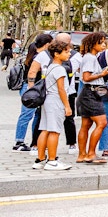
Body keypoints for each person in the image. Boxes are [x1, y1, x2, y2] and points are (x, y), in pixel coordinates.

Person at [33, 40, 73, 171]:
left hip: (47, 100)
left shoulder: (50, 67)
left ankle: (40, 159)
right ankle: (52, 160)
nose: (69, 54)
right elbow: (61, 89)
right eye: (66, 51)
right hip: (56, 101)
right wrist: (67, 106)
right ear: (56, 54)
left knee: (44, 129)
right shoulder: (60, 69)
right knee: (54, 131)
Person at [75, 32, 108, 164]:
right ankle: (91, 154)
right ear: (92, 44)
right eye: (100, 42)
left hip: (86, 93)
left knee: (86, 125)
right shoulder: (90, 58)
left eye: (104, 42)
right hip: (91, 93)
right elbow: (86, 77)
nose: (103, 45)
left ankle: (82, 155)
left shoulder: (89, 57)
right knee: (102, 122)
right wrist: (102, 73)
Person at [15, 34, 54, 152]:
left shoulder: (33, 52)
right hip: (32, 88)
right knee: (27, 114)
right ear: (47, 44)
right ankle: (19, 141)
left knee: (36, 115)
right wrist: (31, 88)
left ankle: (35, 141)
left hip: (34, 88)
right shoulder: (39, 56)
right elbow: (32, 73)